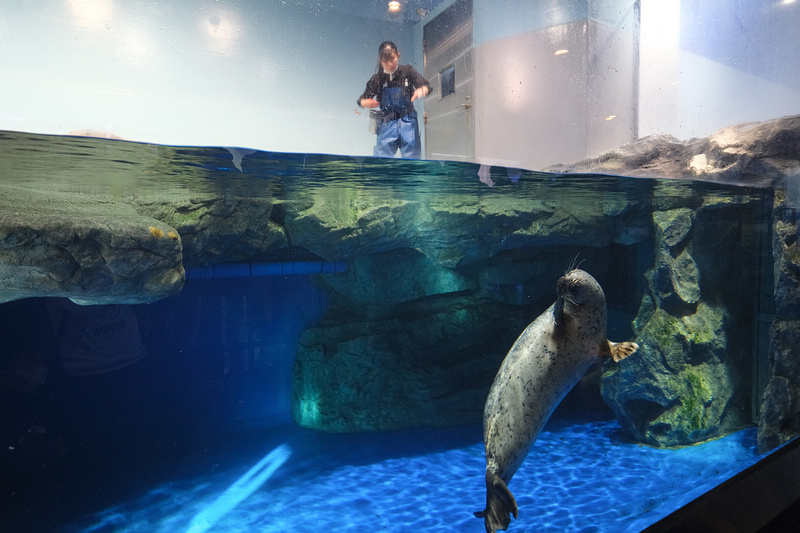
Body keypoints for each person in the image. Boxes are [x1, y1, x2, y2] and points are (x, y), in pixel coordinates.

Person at [358, 41, 431, 159]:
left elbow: (426, 86)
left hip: (408, 121)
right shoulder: (377, 79)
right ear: (380, 60)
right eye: (385, 61)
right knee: (381, 160)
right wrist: (365, 102)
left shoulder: (407, 71)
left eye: (392, 58)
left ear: (398, 55)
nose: (389, 63)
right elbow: (362, 100)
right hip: (387, 122)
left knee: (411, 159)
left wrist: (422, 90)